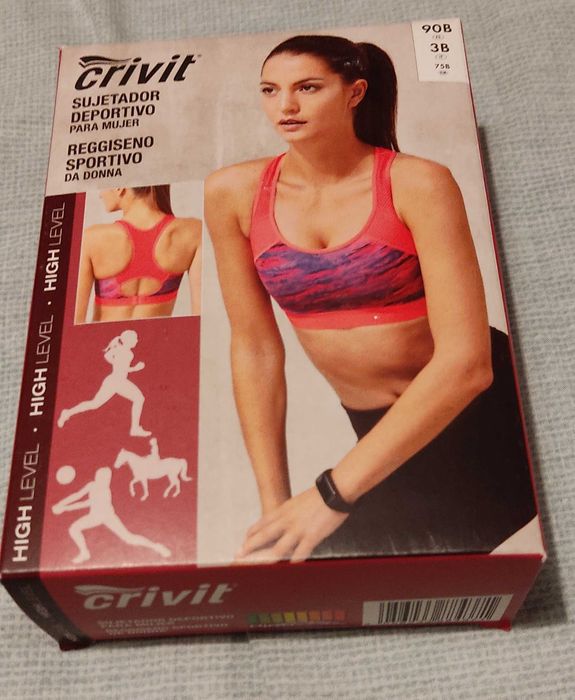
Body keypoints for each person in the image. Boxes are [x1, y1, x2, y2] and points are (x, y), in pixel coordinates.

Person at [204, 35, 536, 563]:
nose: (285, 105)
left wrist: (330, 494)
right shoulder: (232, 193)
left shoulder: (417, 183)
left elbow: (468, 366)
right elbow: (255, 349)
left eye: (307, 88)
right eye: (270, 90)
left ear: (355, 93)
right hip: (381, 439)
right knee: (295, 567)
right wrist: (275, 508)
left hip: (483, 422)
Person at [75, 184, 202, 323]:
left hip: (103, 338)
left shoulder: (92, 239)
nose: (100, 194)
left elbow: (72, 323)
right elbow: (200, 323)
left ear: (119, 187)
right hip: (159, 337)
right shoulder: (193, 232)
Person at [57, 329, 150, 436]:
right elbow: (121, 367)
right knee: (95, 404)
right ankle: (67, 413)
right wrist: (135, 368)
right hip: (115, 381)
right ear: (128, 340)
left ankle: (135, 428)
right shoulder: (126, 353)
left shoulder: (125, 351)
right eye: (135, 338)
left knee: (137, 398)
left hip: (118, 381)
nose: (137, 341)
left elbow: (109, 357)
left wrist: (116, 363)